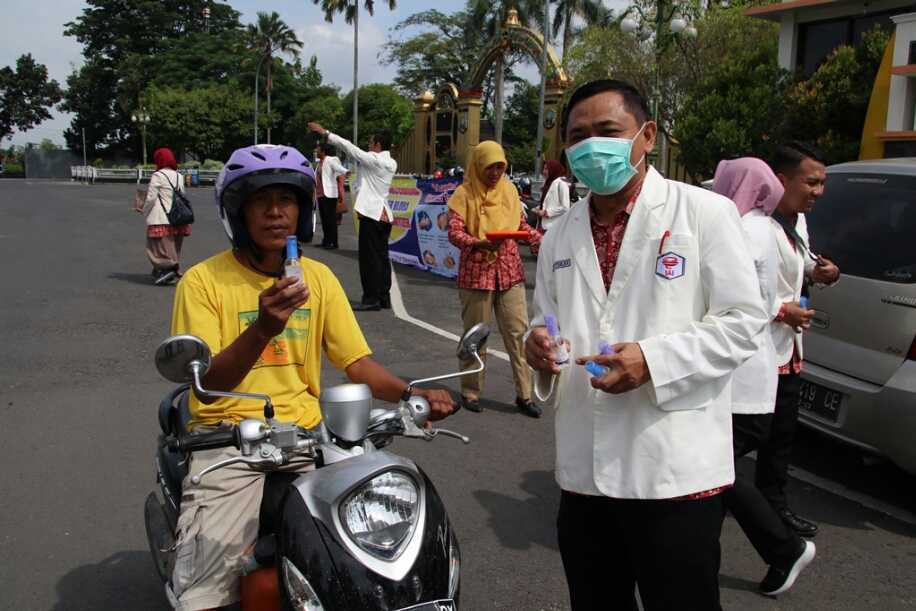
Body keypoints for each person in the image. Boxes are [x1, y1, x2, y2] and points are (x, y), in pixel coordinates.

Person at [167, 144, 456, 611]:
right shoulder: (202, 282)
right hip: (229, 440)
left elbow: (356, 363)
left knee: (372, 547)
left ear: (304, 210)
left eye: (288, 199)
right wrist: (263, 327)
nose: (276, 212)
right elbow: (206, 382)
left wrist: (411, 393)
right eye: (261, 200)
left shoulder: (317, 278)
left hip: (308, 437)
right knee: (206, 591)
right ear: (238, 212)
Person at [524, 79, 768, 610]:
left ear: (646, 135)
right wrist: (535, 346)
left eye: (607, 131)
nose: (591, 146)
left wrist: (653, 361)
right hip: (584, 478)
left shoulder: (703, 214)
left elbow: (744, 321)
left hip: (673, 476)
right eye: (577, 136)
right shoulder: (560, 233)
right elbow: (544, 320)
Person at [712, 157, 816, 596]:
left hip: (744, 372)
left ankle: (783, 547)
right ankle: (698, 550)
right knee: (716, 470)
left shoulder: (747, 229)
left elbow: (747, 301)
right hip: (750, 370)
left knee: (716, 468)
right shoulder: (755, 226)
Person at [756, 141, 840, 537]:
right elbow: (736, 282)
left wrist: (819, 271)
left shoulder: (797, 222)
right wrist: (779, 309)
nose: (818, 192)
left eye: (822, 183)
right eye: (811, 182)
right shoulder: (754, 222)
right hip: (756, 351)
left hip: (788, 350)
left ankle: (772, 507)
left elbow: (797, 264)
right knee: (748, 435)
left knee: (781, 440)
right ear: (781, 179)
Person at [447, 141, 542, 418]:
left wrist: (543, 241)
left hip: (510, 271)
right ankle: (471, 391)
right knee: (476, 335)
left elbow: (520, 226)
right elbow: (454, 233)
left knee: (518, 333)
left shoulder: (510, 191)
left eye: (500, 166)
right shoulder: (463, 193)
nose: (495, 171)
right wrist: (478, 243)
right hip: (476, 273)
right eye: (490, 166)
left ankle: (525, 395)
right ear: (478, 165)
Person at [308, 122, 396, 311]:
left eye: (371, 142)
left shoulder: (376, 160)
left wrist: (327, 133)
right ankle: (383, 296)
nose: (369, 146)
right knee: (381, 257)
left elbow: (350, 149)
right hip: (383, 214)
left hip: (372, 214)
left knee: (369, 259)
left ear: (378, 145)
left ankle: (371, 298)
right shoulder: (390, 162)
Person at [141, 148, 190, 286]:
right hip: (178, 217)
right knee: (173, 247)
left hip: (161, 217)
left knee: (156, 248)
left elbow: (151, 198)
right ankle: (167, 272)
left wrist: (144, 211)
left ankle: (169, 268)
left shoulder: (158, 176)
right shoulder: (178, 176)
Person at [314, 142, 349, 250]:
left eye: (318, 149)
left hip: (329, 194)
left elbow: (337, 168)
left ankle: (333, 242)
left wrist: (346, 171)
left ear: (323, 151)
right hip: (321, 194)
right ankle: (326, 240)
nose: (316, 151)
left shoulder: (330, 160)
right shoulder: (320, 163)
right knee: (324, 219)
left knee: (331, 219)